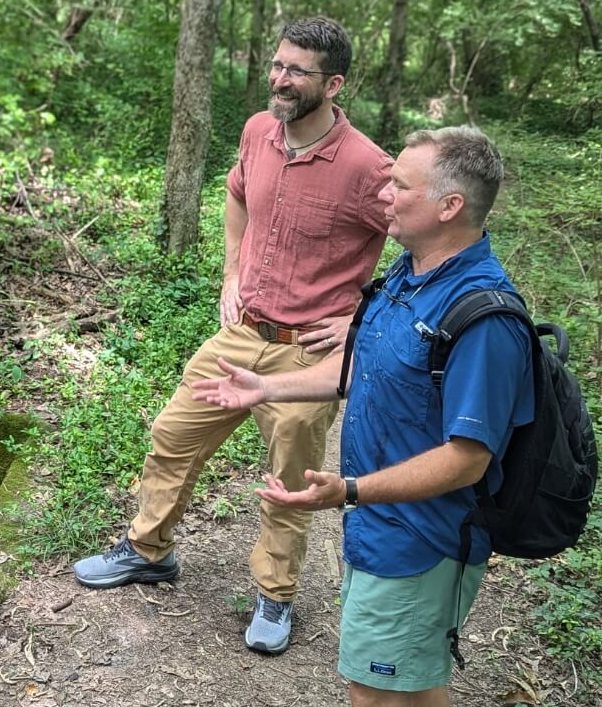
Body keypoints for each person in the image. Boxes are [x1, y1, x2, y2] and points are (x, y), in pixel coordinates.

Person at [73, 16, 394, 654]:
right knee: (172, 435)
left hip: (309, 352)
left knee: (292, 478)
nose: (279, 79)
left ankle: (275, 596)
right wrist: (230, 268)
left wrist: (366, 315)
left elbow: (424, 242)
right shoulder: (258, 131)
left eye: (295, 70)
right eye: (277, 65)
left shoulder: (367, 166)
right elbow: (238, 193)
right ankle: (148, 550)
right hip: (241, 332)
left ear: (332, 84)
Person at [194, 126, 533, 706]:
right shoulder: (410, 273)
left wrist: (349, 491)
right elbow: (360, 367)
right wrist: (265, 386)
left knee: (372, 691)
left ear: (449, 206)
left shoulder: (484, 319)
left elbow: (468, 459)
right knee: (414, 684)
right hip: (379, 529)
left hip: (421, 541)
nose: (383, 195)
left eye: (400, 186)